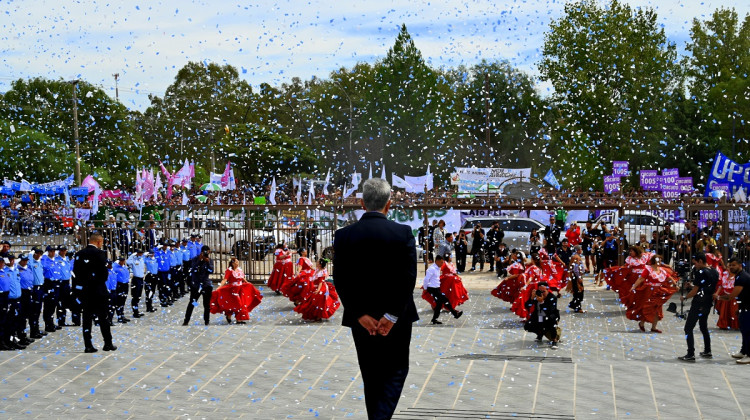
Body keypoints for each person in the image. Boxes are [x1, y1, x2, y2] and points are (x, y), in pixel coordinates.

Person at [333, 178, 417, 419]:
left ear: (362, 203)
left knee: (370, 373)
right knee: (396, 371)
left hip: (363, 320)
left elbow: (340, 279)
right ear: (388, 204)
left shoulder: (344, 235)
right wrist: (390, 316)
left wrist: (360, 314)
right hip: (397, 319)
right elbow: (408, 278)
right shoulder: (402, 233)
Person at [73, 233, 117, 353]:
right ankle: (108, 343)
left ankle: (88, 345)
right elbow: (103, 274)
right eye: (101, 242)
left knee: (86, 319)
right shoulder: (100, 254)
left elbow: (76, 273)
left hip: (85, 292)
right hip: (98, 291)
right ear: (98, 242)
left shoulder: (79, 254)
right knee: (103, 318)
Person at [678, 253, 718, 361]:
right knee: (703, 326)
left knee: (688, 328)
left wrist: (685, 297)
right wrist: (692, 286)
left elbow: (696, 291)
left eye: (695, 262)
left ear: (700, 261)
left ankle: (690, 354)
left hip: (699, 303)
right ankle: (707, 350)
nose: (694, 265)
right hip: (708, 302)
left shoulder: (700, 272)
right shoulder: (714, 271)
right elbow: (705, 287)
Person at [625, 255, 679, 333]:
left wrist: (675, 285)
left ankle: (654, 327)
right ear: (655, 261)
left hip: (658, 292)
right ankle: (642, 323)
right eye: (659, 260)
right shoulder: (648, 269)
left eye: (660, 261)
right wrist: (634, 287)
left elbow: (669, 277)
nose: (660, 262)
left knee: (657, 308)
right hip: (649, 291)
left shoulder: (662, 270)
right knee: (647, 307)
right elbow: (641, 278)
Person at [211, 257, 262, 324]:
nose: (237, 263)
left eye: (238, 262)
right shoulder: (229, 270)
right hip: (233, 290)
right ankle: (229, 315)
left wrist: (247, 282)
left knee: (242, 303)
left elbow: (242, 278)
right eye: (236, 262)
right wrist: (219, 287)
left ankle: (239, 319)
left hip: (240, 289)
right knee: (236, 304)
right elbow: (225, 279)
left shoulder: (239, 270)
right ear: (232, 263)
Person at [718, 258, 750, 363]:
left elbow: (732, 296)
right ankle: (744, 351)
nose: (731, 267)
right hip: (744, 306)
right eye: (730, 265)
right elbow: (742, 296)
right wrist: (739, 308)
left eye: (734, 265)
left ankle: (749, 355)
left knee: (747, 331)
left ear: (740, 265)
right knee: (744, 330)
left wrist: (718, 297)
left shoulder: (742, 278)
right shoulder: (739, 276)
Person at [421, 254, 463, 324]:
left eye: (442, 262)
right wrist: (425, 288)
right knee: (445, 300)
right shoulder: (432, 269)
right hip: (432, 288)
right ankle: (455, 314)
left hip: (436, 288)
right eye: (441, 262)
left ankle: (434, 319)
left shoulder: (437, 268)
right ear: (437, 261)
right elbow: (426, 279)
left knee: (439, 304)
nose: (442, 264)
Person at [183, 246, 214, 326]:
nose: (205, 254)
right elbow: (193, 269)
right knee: (192, 303)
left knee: (206, 304)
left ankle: (206, 321)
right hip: (196, 285)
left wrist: (207, 262)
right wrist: (200, 260)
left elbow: (211, 271)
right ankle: (186, 320)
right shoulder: (195, 259)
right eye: (204, 252)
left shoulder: (210, 260)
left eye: (207, 252)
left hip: (206, 284)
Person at [523, 282, 561, 349]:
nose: (542, 293)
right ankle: (540, 334)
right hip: (539, 316)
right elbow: (527, 306)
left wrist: (542, 302)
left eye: (544, 291)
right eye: (540, 291)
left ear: (547, 290)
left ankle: (554, 340)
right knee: (528, 325)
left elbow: (550, 310)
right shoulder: (536, 296)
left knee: (551, 324)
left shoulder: (552, 297)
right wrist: (531, 298)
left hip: (550, 316)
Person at [41, 245, 61, 333]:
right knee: (48, 304)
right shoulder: (45, 260)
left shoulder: (55, 260)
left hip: (56, 283)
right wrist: (45, 256)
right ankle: (48, 324)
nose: (52, 253)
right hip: (49, 283)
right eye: (50, 251)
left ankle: (51, 322)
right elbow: (44, 267)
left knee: (54, 304)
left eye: (53, 251)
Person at [55, 245, 77, 326]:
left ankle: (63, 320)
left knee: (65, 302)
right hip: (60, 282)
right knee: (60, 303)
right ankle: (60, 320)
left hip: (67, 282)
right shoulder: (56, 259)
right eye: (61, 250)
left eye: (64, 250)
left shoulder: (67, 259)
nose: (63, 251)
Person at [27, 247, 45, 339]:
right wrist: (30, 254)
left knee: (38, 310)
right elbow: (29, 263)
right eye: (36, 253)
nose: (38, 255)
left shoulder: (39, 263)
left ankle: (36, 329)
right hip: (35, 288)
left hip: (40, 287)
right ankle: (33, 331)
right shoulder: (31, 263)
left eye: (40, 253)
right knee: (33, 311)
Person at [127, 249, 146, 318]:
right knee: (135, 296)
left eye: (141, 253)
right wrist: (132, 255)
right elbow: (128, 262)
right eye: (139, 253)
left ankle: (137, 310)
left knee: (139, 296)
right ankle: (135, 312)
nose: (141, 254)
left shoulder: (142, 259)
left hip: (141, 279)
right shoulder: (133, 259)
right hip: (136, 279)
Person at [568, 248, 586, 313]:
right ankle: (576, 307)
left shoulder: (576, 256)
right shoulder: (576, 257)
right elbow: (575, 269)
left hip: (576, 277)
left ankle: (574, 305)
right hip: (576, 277)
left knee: (577, 292)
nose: (581, 250)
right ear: (578, 250)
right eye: (580, 249)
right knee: (579, 293)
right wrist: (579, 277)